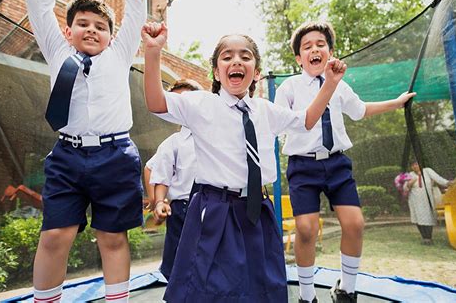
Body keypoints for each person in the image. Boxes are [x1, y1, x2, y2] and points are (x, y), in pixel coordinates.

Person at [142, 21, 347, 302]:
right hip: (214, 210)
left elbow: (307, 120)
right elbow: (155, 102)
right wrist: (153, 52)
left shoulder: (265, 110)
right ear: (216, 71)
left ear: (256, 72)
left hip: (256, 211)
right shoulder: (201, 104)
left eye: (245, 56)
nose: (236, 60)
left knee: (263, 286)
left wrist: (330, 84)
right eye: (227, 57)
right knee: (210, 288)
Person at [274, 21, 416, 303]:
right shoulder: (289, 87)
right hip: (303, 166)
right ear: (298, 58)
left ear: (331, 52)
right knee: (305, 229)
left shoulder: (340, 86)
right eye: (307, 47)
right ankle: (306, 295)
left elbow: (361, 111)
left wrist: (396, 102)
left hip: (337, 164)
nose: (315, 49)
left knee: (355, 224)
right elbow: (280, 124)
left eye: (320, 44)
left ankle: (346, 289)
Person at [26, 0, 146, 302]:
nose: (91, 29)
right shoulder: (57, 51)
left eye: (100, 26)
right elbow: (36, 1)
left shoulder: (120, 54)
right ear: (68, 30)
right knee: (54, 235)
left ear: (111, 34)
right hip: (67, 154)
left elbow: (136, 5)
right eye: (83, 23)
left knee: (112, 237)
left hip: (115, 155)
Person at [143, 79, 203, 280]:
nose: (181, 106)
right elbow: (154, 171)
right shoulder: (175, 142)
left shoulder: (218, 134)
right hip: (182, 210)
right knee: (178, 267)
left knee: (211, 265)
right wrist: (157, 202)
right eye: (175, 103)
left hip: (214, 207)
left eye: (186, 100)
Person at [405, 162, 452, 245]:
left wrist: (448, 183)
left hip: (427, 199)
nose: (415, 166)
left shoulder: (427, 171)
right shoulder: (410, 174)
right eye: (413, 165)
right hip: (415, 200)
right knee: (418, 218)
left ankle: (429, 237)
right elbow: (405, 187)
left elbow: (439, 179)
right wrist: (412, 181)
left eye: (416, 164)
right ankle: (424, 237)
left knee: (428, 217)